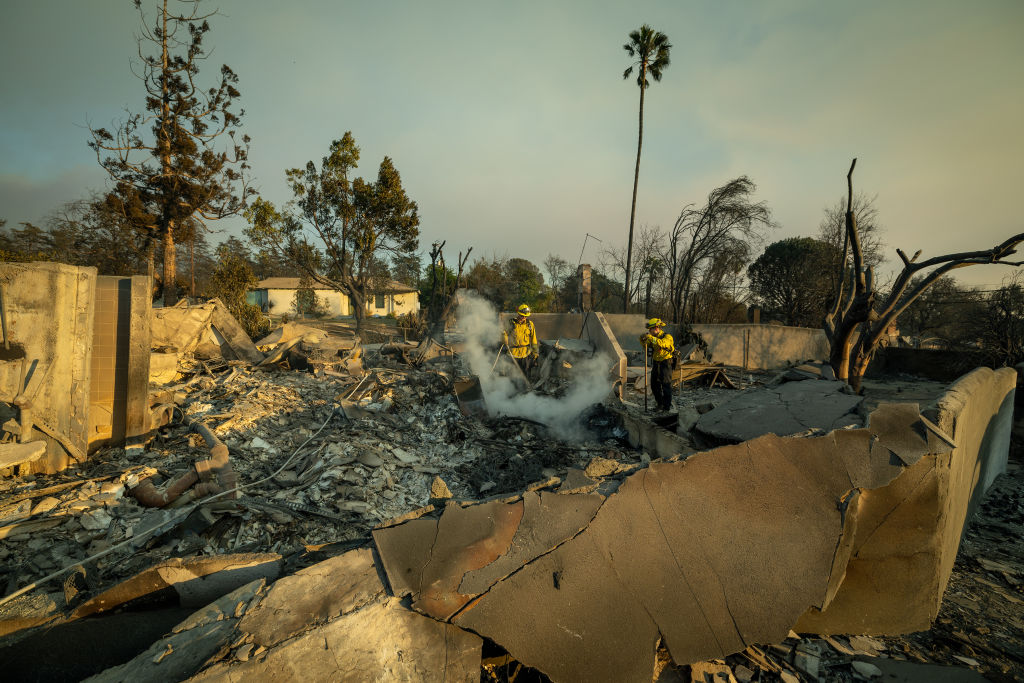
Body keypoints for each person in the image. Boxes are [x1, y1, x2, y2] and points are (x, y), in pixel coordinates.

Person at [639, 317, 675, 412]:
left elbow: (663, 344)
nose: (649, 332)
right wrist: (642, 340)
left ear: (656, 328)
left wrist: (651, 338)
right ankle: (660, 404)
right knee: (654, 385)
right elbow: (646, 347)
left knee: (666, 386)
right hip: (656, 363)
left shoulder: (667, 337)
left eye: (650, 330)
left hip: (665, 363)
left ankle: (666, 408)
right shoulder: (653, 338)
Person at [503, 303, 539, 379]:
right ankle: (512, 390)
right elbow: (504, 333)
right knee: (512, 376)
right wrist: (504, 337)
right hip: (513, 355)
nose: (524, 317)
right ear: (518, 313)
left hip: (525, 355)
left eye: (526, 316)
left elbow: (534, 339)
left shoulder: (530, 324)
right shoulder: (510, 323)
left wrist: (535, 353)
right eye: (522, 315)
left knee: (526, 376)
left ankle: (526, 390)